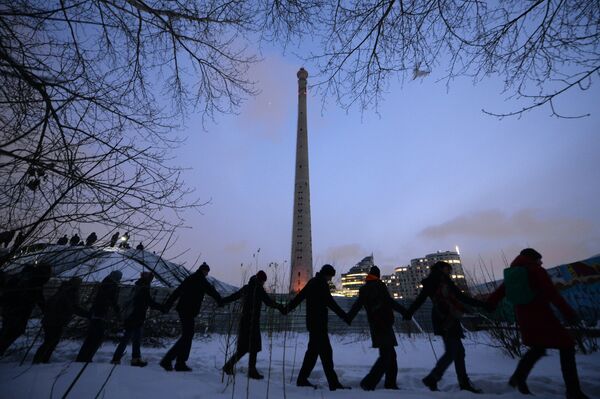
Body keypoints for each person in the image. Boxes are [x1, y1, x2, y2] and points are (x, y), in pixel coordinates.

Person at [487, 248, 589, 399]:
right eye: (539, 259)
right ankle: (573, 391)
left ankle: (518, 378)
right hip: (542, 315)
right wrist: (568, 313)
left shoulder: (513, 273)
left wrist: (489, 304)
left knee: (538, 348)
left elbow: (500, 292)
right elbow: (551, 292)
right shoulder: (535, 270)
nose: (541, 262)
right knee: (566, 346)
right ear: (532, 259)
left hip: (524, 318)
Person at [403, 261, 486, 393]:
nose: (450, 272)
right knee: (454, 351)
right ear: (442, 268)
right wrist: (481, 304)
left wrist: (409, 313)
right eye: (448, 269)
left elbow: (420, 299)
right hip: (448, 318)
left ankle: (446, 380)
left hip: (441, 317)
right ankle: (437, 379)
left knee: (457, 352)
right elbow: (460, 297)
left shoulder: (431, 281)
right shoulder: (443, 280)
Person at [284, 264, 351, 391]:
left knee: (312, 354)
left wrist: (287, 309)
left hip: (313, 324)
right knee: (326, 354)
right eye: (330, 276)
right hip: (319, 324)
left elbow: (299, 297)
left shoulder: (312, 282)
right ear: (327, 274)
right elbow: (331, 303)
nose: (330, 279)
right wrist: (345, 316)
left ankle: (302, 379)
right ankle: (333, 383)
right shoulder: (321, 284)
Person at [347, 266, 408, 390]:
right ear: (378, 275)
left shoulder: (364, 289)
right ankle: (370, 382)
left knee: (389, 354)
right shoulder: (379, 286)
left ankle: (389, 383)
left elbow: (358, 304)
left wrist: (349, 317)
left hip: (376, 325)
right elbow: (389, 302)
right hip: (384, 324)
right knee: (387, 355)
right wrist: (404, 311)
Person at [221, 271, 285, 379]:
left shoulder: (247, 287)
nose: (264, 283)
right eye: (263, 281)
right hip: (253, 322)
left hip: (244, 320)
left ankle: (229, 366)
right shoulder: (259, 289)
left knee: (243, 348)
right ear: (261, 280)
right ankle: (251, 371)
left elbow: (234, 296)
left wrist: (222, 301)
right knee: (253, 347)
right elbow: (268, 302)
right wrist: (281, 307)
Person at [160, 262, 223, 371]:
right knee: (187, 335)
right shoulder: (200, 280)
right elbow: (211, 291)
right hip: (187, 310)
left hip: (184, 310)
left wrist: (168, 304)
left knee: (187, 335)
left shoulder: (192, 278)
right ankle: (171, 360)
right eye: (206, 271)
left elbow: (178, 291)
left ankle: (178, 362)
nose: (207, 274)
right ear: (203, 270)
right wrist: (220, 301)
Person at [111, 271, 162, 367]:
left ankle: (133, 359)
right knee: (128, 339)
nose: (151, 280)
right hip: (135, 317)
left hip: (135, 317)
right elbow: (148, 301)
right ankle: (117, 359)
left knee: (135, 339)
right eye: (151, 278)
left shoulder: (140, 285)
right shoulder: (143, 286)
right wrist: (162, 307)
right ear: (148, 278)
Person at [33, 277, 89, 363]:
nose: (80, 285)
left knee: (50, 341)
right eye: (79, 283)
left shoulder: (62, 289)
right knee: (51, 341)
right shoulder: (71, 292)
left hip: (51, 319)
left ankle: (41, 360)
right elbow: (74, 307)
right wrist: (88, 314)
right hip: (57, 320)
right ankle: (40, 360)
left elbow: (50, 303)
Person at [0, 262, 51, 355]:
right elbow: (39, 298)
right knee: (13, 331)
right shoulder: (35, 281)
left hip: (10, 309)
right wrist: (46, 311)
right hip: (18, 311)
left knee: (8, 330)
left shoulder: (23, 277)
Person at [76, 270, 121, 362]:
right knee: (95, 337)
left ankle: (84, 357)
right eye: (119, 278)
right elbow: (108, 299)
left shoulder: (107, 283)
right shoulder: (110, 285)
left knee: (93, 337)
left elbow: (110, 299)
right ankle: (85, 358)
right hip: (99, 314)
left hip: (98, 313)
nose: (119, 280)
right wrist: (115, 308)